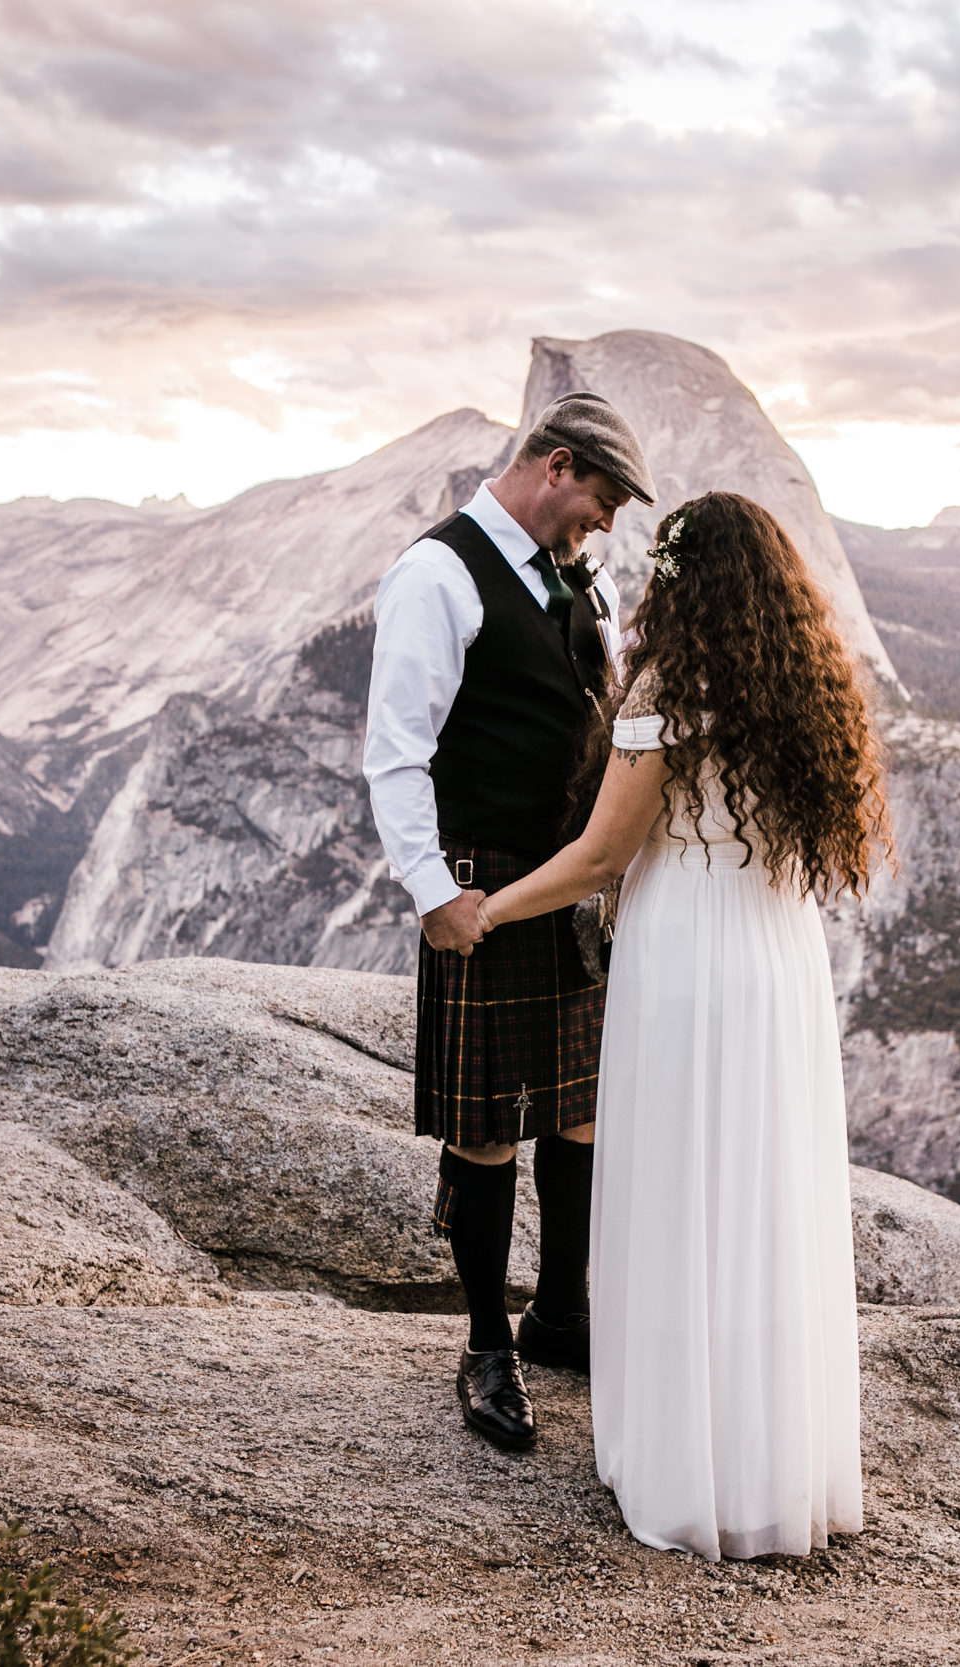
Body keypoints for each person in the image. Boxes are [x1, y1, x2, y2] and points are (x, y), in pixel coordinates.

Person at [473, 490, 891, 1559]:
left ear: (676, 582)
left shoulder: (671, 684)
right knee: (763, 1203)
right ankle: (772, 1467)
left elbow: (606, 855)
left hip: (689, 962)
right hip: (778, 960)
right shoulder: (801, 685)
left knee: (681, 1194)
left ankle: (682, 1465)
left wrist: (488, 906)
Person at [362, 390, 656, 1452]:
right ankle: (487, 1341)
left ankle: (561, 1314)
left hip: (574, 877)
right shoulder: (434, 574)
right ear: (557, 466)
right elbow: (395, 748)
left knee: (577, 1110)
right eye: (604, 498)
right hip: (482, 879)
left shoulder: (589, 578)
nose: (608, 524)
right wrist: (432, 889)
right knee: (485, 1126)